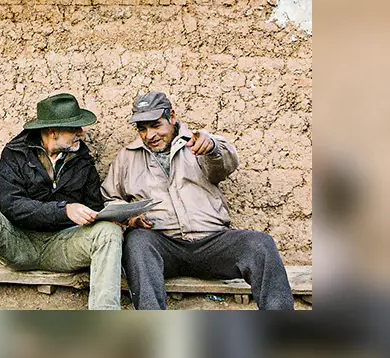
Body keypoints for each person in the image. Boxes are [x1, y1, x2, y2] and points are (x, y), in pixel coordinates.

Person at [102, 91, 294, 310]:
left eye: (156, 126)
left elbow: (225, 165)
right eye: (142, 129)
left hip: (213, 244)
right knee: (137, 242)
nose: (149, 135)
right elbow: (110, 198)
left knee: (261, 244)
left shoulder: (198, 143)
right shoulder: (127, 157)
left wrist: (212, 148)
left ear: (172, 116)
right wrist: (129, 217)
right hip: (164, 247)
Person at [0, 93, 125, 310]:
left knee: (109, 232)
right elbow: (11, 206)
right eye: (74, 128)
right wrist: (64, 210)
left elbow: (93, 207)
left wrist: (108, 217)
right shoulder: (15, 154)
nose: (81, 133)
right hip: (19, 243)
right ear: (52, 131)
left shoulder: (83, 161)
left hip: (62, 246)